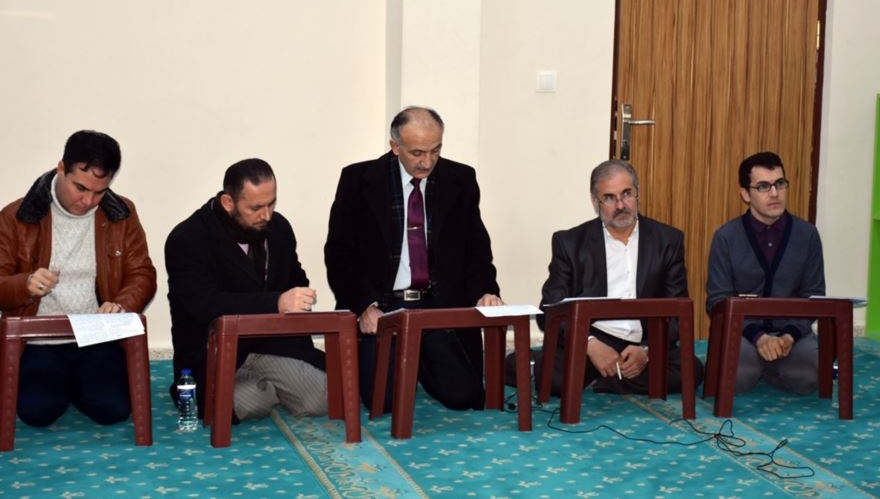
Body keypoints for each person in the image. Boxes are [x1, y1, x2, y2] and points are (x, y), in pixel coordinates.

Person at [325, 106, 503, 411]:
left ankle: (422, 358)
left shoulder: (460, 179)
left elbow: (475, 246)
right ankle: (407, 359)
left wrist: (486, 290)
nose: (428, 161)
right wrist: (364, 305)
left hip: (439, 303)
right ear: (395, 147)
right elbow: (339, 253)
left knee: (466, 397)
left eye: (435, 150)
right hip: (384, 305)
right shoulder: (358, 179)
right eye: (417, 153)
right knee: (383, 401)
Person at [0, 130, 157, 427]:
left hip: (96, 336)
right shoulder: (15, 216)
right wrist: (25, 284)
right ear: (61, 168)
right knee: (37, 413)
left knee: (112, 410)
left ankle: (74, 384)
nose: (87, 201)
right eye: (80, 188)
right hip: (38, 341)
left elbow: (143, 274)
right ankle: (64, 384)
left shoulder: (121, 213)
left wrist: (121, 304)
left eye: (99, 192)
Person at [166, 158, 327, 422]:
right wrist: (276, 303)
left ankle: (271, 384)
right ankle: (267, 388)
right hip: (217, 351)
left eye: (271, 204)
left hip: (273, 346)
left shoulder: (279, 228)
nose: (266, 215)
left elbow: (295, 279)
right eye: (256, 208)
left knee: (323, 397)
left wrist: (299, 297)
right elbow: (204, 304)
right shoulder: (188, 238)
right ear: (228, 203)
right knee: (249, 402)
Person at [524, 159, 703, 396]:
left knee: (691, 371)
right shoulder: (570, 243)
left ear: (637, 193)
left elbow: (677, 311)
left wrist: (647, 350)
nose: (620, 205)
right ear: (595, 201)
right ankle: (606, 374)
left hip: (644, 339)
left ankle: (600, 380)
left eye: (627, 194)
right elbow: (549, 311)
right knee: (554, 376)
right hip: (592, 338)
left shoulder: (667, 240)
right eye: (609, 198)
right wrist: (589, 345)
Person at [706, 151, 825, 395]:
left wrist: (789, 336)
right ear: (745, 194)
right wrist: (759, 337)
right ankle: (764, 364)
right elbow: (718, 300)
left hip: (790, 335)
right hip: (744, 332)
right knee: (735, 378)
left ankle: (772, 365)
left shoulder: (807, 235)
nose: (774, 193)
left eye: (779, 184)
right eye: (763, 186)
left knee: (810, 378)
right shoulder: (726, 237)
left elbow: (814, 295)